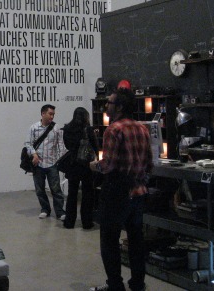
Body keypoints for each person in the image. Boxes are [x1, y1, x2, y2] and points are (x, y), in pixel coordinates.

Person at [90, 88, 152, 291]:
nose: (106, 106)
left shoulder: (113, 130)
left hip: (117, 192)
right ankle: (138, 284)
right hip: (139, 192)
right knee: (136, 241)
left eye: (109, 103)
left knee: (109, 241)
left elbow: (108, 165)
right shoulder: (142, 128)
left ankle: (115, 285)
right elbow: (150, 163)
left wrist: (94, 165)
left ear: (120, 107)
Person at [24, 104, 67, 220]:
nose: (52, 117)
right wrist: (34, 155)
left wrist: (58, 160)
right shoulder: (34, 128)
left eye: (53, 114)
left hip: (52, 163)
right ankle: (45, 209)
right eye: (50, 114)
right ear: (43, 114)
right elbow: (27, 144)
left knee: (56, 189)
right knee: (40, 189)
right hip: (37, 164)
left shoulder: (56, 128)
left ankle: (60, 211)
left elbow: (61, 146)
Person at [61, 107, 99, 229]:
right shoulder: (87, 129)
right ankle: (87, 222)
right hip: (86, 166)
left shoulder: (67, 129)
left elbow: (67, 145)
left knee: (72, 194)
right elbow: (94, 146)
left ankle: (69, 222)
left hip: (73, 164)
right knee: (87, 194)